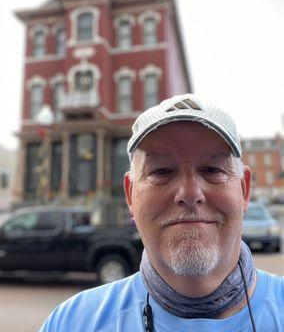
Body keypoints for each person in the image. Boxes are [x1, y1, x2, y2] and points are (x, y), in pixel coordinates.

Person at [39, 94, 284, 332]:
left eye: (212, 169)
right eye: (162, 171)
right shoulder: (71, 323)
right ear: (130, 196)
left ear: (244, 189)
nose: (189, 193)